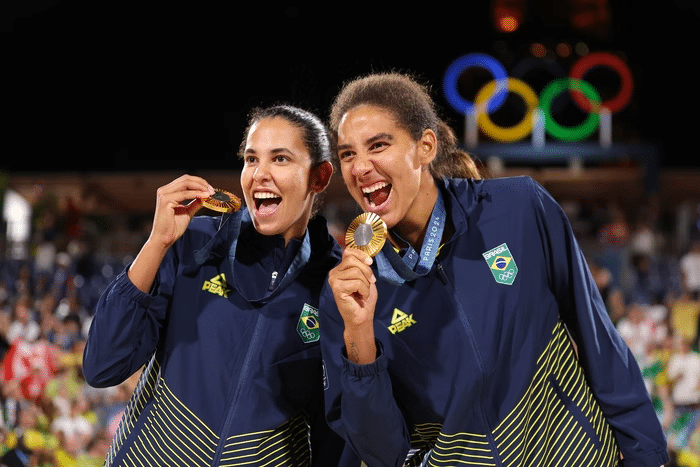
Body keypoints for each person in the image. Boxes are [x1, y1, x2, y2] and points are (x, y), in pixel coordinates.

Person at [320, 72, 669, 467]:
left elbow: (597, 337)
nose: (360, 167)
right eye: (347, 154)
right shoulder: (346, 295)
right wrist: (359, 335)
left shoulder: (519, 209)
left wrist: (647, 455)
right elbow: (383, 453)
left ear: (425, 146)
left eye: (378, 145)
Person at [82, 105, 358, 466]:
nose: (260, 174)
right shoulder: (195, 244)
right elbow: (103, 366)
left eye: (280, 159)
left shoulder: (334, 285)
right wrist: (156, 243)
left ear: (319, 177)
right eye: (251, 159)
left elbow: (332, 437)